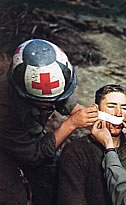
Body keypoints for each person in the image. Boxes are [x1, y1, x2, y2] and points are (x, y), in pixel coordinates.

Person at [0, 39, 98, 205]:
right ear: (27, 96)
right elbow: (34, 154)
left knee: (56, 176)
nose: (53, 103)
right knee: (13, 199)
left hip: (26, 137)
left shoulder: (29, 82)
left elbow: (60, 98)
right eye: (47, 102)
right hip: (6, 145)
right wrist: (72, 124)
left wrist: (89, 116)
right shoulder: (4, 108)